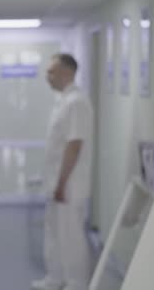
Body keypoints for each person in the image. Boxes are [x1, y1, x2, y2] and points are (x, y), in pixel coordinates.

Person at [31, 53, 94, 290]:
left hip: (69, 185)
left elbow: (74, 146)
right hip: (57, 184)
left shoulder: (76, 102)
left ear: (67, 72)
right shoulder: (63, 101)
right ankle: (55, 278)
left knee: (71, 237)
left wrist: (61, 184)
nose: (48, 76)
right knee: (55, 233)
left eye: (51, 72)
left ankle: (76, 283)